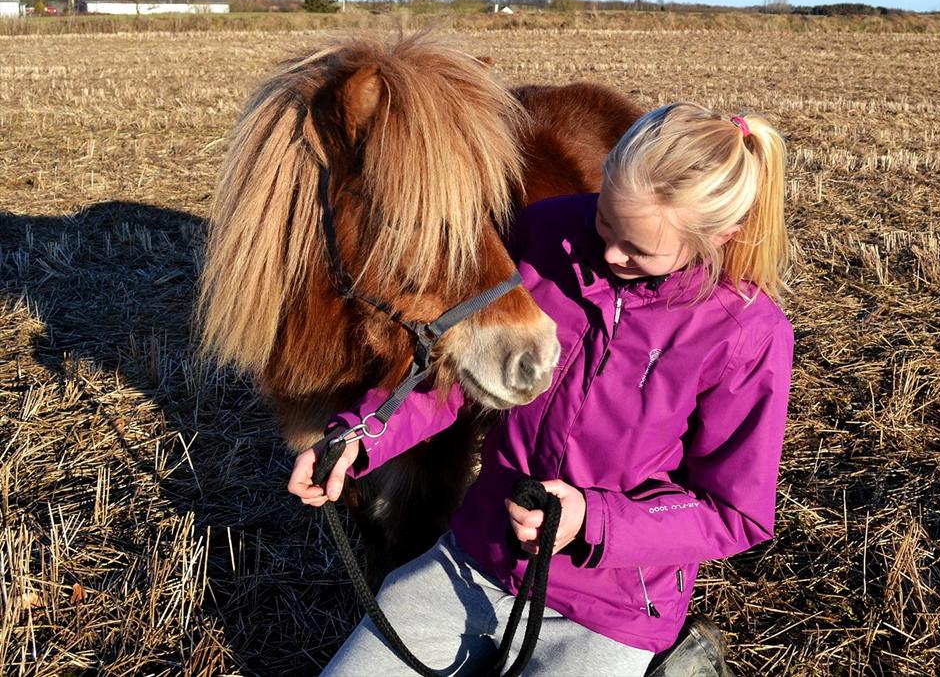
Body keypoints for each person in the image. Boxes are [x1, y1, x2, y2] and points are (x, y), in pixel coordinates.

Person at [288, 103, 795, 676]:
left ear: (718, 237)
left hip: (609, 607)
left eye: (638, 250)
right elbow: (458, 379)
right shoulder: (547, 232)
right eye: (605, 220)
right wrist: (362, 436)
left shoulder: (747, 335)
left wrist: (592, 521)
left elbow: (734, 513)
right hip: (478, 556)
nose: (608, 254)